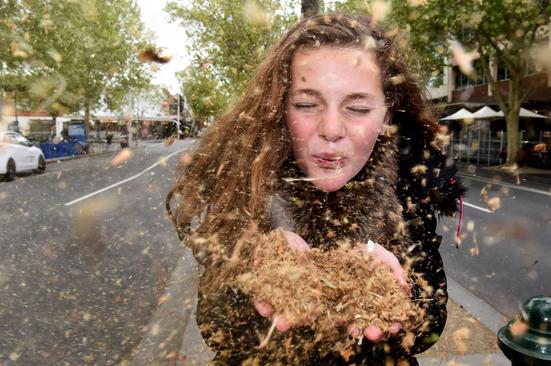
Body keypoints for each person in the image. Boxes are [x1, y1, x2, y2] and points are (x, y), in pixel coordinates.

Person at [167, 13, 463, 365]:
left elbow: (431, 325)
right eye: (307, 104)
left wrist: (403, 295)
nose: (332, 128)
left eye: (357, 107)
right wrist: (254, 271)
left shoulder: (409, 188)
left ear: (385, 116)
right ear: (281, 107)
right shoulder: (247, 186)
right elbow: (214, 327)